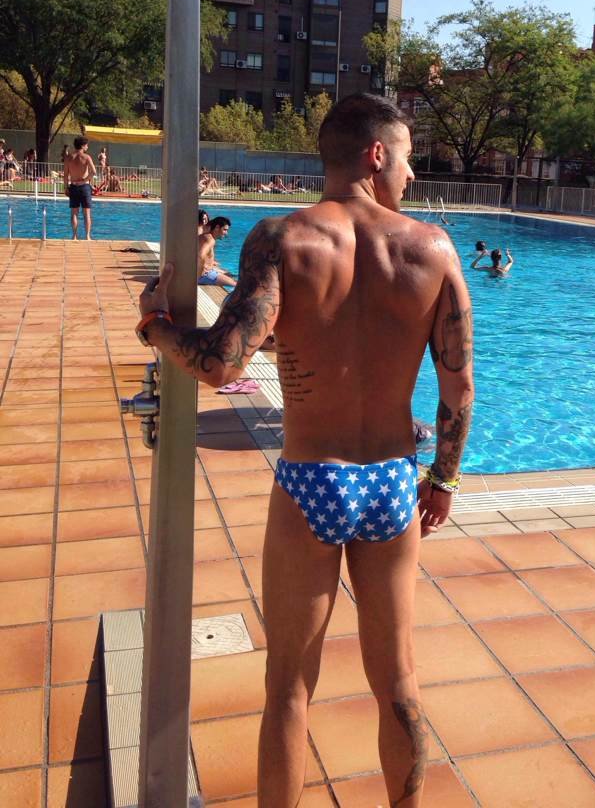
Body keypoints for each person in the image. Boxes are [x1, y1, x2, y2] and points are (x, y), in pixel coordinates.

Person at [136, 92, 474, 807]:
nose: (411, 174)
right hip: (391, 482)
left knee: (289, 687)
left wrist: (156, 326)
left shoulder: (281, 240)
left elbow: (222, 362)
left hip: (312, 478)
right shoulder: (434, 248)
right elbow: (459, 385)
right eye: (408, 158)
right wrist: (442, 478)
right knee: (399, 682)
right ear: (376, 155)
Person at [63, 137, 96, 239]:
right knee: (87, 213)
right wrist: (84, 180)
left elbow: (65, 175)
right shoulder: (86, 157)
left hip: (73, 186)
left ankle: (74, 236)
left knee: (74, 213)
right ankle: (87, 236)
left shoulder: (69, 158)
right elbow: (93, 172)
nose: (87, 147)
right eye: (86, 145)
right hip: (84, 187)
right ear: (82, 146)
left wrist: (66, 188)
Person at [197, 216, 237, 287]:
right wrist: (198, 274)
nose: (226, 233)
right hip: (204, 275)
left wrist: (211, 262)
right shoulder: (210, 240)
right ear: (217, 227)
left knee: (230, 274)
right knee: (237, 284)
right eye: (225, 230)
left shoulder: (205, 236)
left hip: (206, 270)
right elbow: (200, 255)